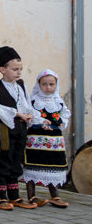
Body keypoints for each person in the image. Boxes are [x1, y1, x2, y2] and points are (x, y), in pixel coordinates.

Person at [0, 46, 36, 209]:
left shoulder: (21, 85)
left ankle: (14, 195)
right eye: (15, 69)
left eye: (20, 69)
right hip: (3, 131)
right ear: (2, 69)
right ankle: (0, 196)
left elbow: (27, 104)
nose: (19, 72)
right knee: (4, 160)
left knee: (16, 160)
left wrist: (30, 115)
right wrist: (17, 113)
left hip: (20, 129)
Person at [21, 70, 71, 207]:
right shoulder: (33, 100)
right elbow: (29, 114)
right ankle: (32, 196)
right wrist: (39, 122)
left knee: (52, 166)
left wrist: (61, 122)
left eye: (51, 84)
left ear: (56, 84)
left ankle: (55, 196)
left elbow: (65, 114)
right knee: (33, 167)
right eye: (44, 84)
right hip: (36, 140)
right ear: (39, 84)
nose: (48, 87)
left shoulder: (58, 101)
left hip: (54, 141)